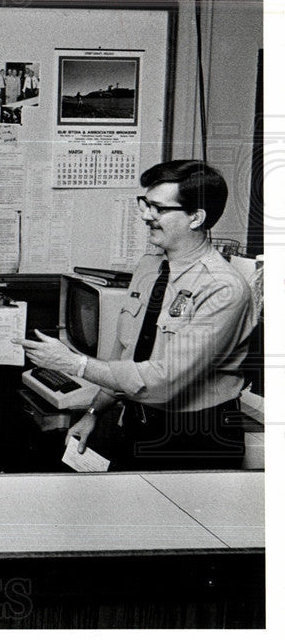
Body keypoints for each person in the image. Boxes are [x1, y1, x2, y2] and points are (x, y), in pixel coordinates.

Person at [17, 160, 256, 470]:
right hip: (136, 425)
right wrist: (93, 413)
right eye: (145, 203)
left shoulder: (224, 289)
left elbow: (164, 381)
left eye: (158, 208)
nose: (146, 215)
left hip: (194, 438)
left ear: (196, 218)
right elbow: (127, 352)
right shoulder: (150, 265)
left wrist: (74, 363)